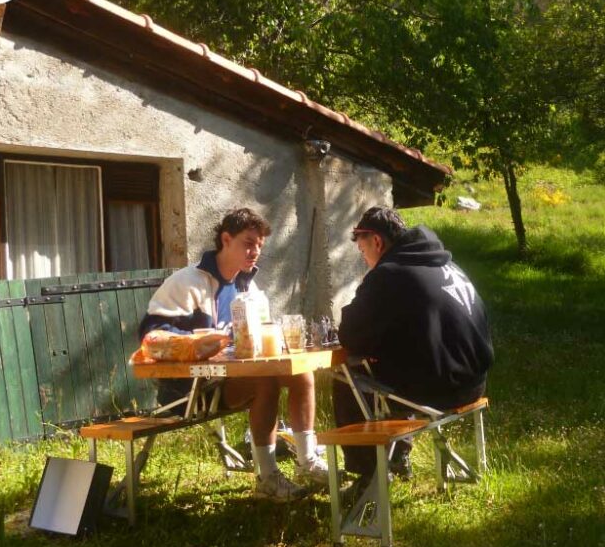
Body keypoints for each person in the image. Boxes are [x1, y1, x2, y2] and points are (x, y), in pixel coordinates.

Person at [139, 207, 328, 502]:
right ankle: (267, 478)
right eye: (248, 243)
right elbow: (152, 336)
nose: (255, 252)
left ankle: (307, 461)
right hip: (190, 390)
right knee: (265, 383)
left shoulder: (247, 284)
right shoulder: (187, 282)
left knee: (301, 372)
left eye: (259, 246)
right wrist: (198, 342)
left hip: (229, 379)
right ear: (226, 239)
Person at [334, 206, 494, 482]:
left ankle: (367, 474)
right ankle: (397, 456)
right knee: (396, 364)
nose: (365, 260)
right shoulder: (445, 264)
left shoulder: (390, 273)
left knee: (346, 376)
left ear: (377, 241)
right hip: (475, 382)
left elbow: (350, 333)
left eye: (363, 252)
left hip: (441, 392)